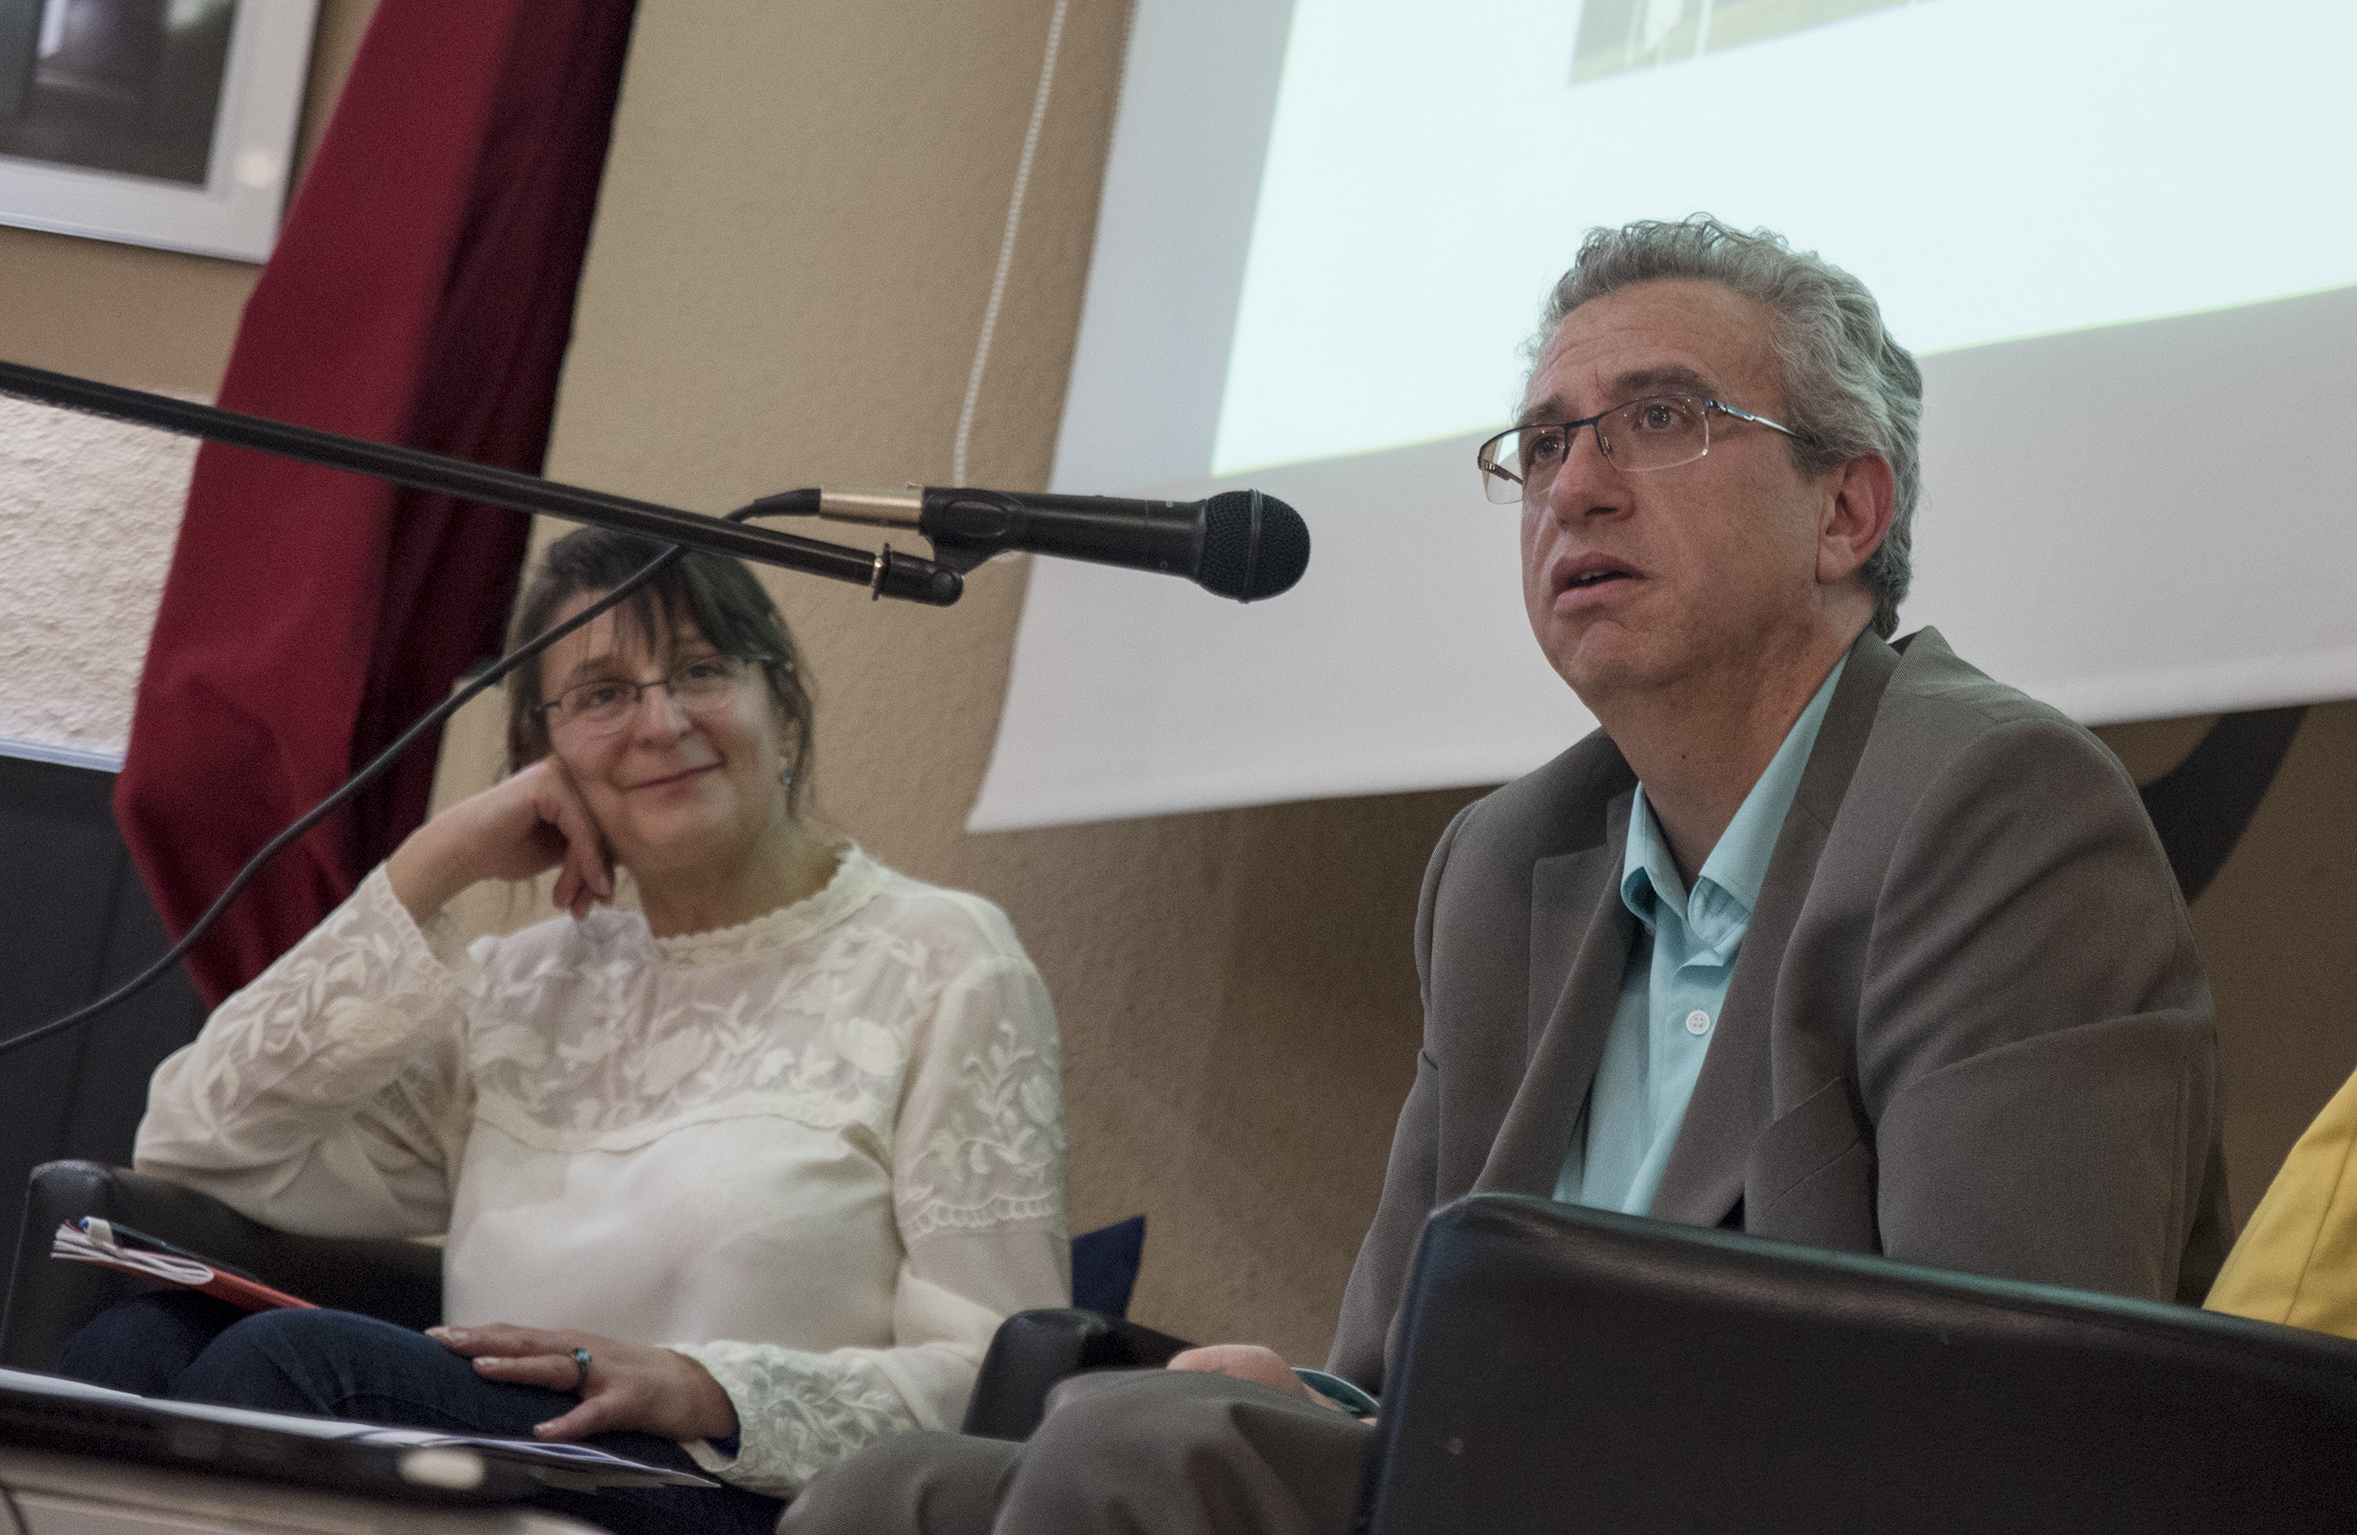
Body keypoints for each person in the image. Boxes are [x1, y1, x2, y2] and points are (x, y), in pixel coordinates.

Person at [778, 214, 2230, 1535]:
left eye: (1658, 418)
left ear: (1845, 512)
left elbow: (2012, 1413)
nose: (1575, 487)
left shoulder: (1991, 806)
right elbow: (1387, 1374)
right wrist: (1304, 1398)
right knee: (888, 1490)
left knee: (1140, 1453)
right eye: (1540, 445)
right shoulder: (1508, 862)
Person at [64, 527, 1069, 1535]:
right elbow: (192, 1141)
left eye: (701, 669)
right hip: (511, 1474)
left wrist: (702, 1385)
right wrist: (435, 864)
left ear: (782, 705)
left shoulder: (942, 956)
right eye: (602, 693)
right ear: (542, 759)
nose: (661, 722)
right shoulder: (521, 984)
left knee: (291, 1367)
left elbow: (990, 1386)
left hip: (755, 1496)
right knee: (136, 1346)